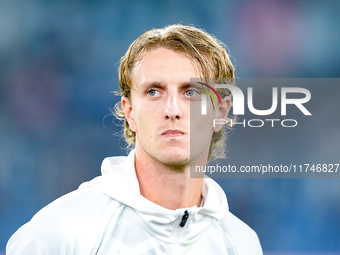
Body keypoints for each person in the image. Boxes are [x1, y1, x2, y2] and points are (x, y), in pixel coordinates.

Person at [7, 24, 262, 254]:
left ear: (220, 112)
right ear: (129, 112)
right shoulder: (59, 236)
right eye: (154, 92)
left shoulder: (241, 243)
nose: (172, 109)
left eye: (191, 92)